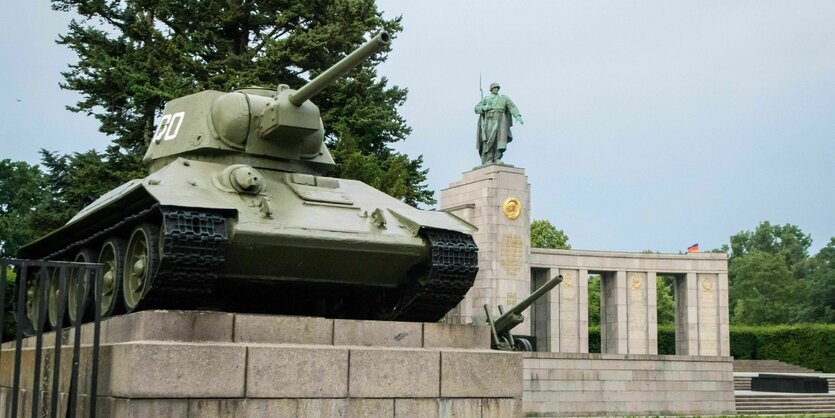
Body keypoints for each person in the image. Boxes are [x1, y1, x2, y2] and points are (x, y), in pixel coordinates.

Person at [474, 82, 523, 165]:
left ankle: (497, 158)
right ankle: (489, 159)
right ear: (491, 89)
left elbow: (512, 107)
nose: (496, 89)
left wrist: (518, 116)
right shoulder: (486, 98)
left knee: (501, 139)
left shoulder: (504, 98)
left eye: (497, 87)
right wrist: (483, 108)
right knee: (490, 140)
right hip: (490, 119)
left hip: (502, 119)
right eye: (494, 88)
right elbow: (476, 108)